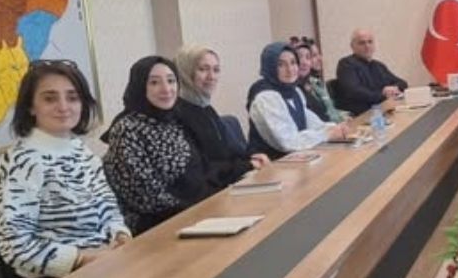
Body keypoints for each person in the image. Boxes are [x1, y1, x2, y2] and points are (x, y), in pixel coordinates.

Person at [0, 60, 130, 278]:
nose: (63, 106)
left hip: (104, 264)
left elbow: (108, 208)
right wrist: (81, 259)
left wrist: (120, 235)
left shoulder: (80, 150)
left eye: (72, 98)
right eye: (50, 98)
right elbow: (16, 247)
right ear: (31, 107)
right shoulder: (22, 161)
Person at [102, 56, 213, 235]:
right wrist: (198, 211)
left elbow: (203, 171)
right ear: (140, 87)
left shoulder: (176, 120)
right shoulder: (126, 130)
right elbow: (146, 198)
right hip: (155, 226)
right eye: (154, 82)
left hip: (194, 214)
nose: (166, 89)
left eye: (171, 81)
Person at [174, 46, 269, 190]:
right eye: (203, 69)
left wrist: (252, 159)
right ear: (185, 72)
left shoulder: (205, 108)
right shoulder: (179, 115)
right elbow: (204, 170)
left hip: (227, 184)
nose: (211, 76)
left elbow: (228, 151)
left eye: (216, 70)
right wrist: (246, 166)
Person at [251, 42, 353, 156]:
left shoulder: (295, 91)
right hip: (271, 162)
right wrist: (327, 134)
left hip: (296, 158)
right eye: (281, 65)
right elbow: (288, 142)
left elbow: (312, 122)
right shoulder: (266, 97)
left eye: (293, 62)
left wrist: (336, 128)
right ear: (270, 67)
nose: (290, 69)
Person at [335, 28, 409, 116]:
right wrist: (383, 94)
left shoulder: (378, 66)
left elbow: (403, 83)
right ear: (352, 46)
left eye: (370, 42)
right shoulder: (346, 64)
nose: (367, 46)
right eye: (362, 43)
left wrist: (394, 88)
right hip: (362, 114)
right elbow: (355, 91)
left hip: (383, 109)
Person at [290, 42, 330, 122]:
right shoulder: (290, 90)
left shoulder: (309, 85)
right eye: (299, 57)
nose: (304, 62)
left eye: (308, 57)